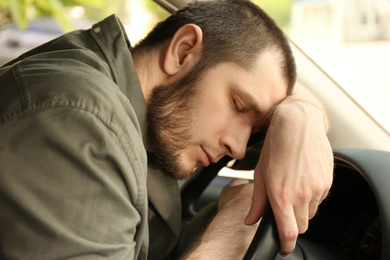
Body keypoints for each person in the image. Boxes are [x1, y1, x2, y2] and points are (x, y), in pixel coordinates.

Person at [0, 0, 333, 259]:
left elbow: (280, 92)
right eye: (238, 105)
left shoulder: (126, 108)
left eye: (255, 128)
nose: (240, 148)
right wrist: (234, 228)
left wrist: (299, 116)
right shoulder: (80, 125)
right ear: (183, 51)